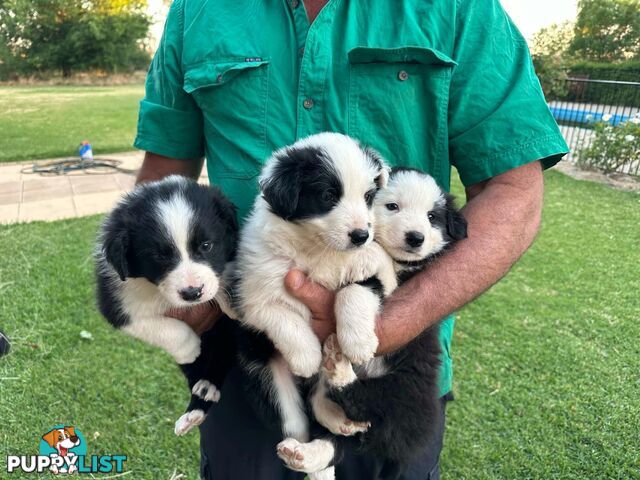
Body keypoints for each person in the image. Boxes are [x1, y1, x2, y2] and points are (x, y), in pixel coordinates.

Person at [133, 0, 568, 478]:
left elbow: (513, 190)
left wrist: (390, 322)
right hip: (251, 359)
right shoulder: (197, 10)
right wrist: (192, 306)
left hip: (391, 370)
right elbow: (162, 176)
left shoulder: (460, 9)